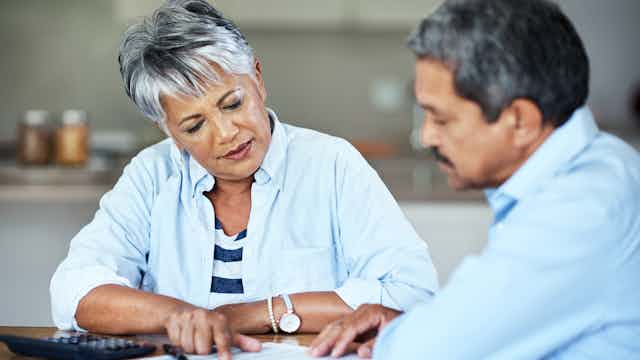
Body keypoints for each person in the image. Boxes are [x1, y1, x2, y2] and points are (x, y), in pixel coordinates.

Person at [49, 0, 438, 358]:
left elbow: (412, 294)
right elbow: (74, 291)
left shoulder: (332, 164)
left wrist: (251, 313)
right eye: (194, 125)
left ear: (257, 76)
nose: (226, 133)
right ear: (168, 130)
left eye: (232, 103)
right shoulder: (152, 175)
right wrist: (179, 315)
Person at [310, 0, 640, 358]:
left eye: (441, 119)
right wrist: (410, 324)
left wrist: (405, 336)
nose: (427, 137)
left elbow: (429, 352)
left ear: (520, 121)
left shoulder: (580, 211)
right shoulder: (606, 163)